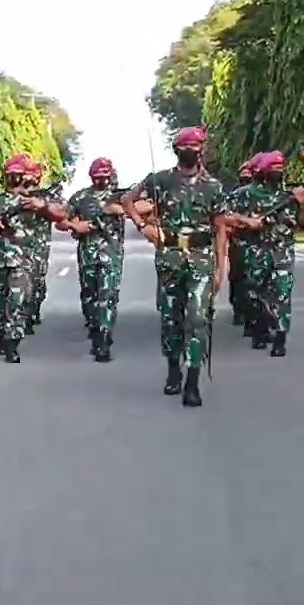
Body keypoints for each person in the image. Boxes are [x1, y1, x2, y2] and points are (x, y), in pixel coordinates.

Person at [121, 127, 227, 406]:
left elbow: (220, 229)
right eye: (186, 146)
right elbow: (127, 200)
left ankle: (192, 381)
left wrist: (221, 269)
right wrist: (143, 226)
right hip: (169, 257)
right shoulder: (160, 181)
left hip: (201, 257)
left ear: (202, 150)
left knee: (198, 318)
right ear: (177, 150)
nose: (192, 150)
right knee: (171, 318)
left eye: (196, 146)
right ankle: (172, 370)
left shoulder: (213, 187)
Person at [0, 154, 68, 362]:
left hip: (24, 261)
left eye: (18, 174)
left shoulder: (37, 199)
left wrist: (41, 207)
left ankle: (12, 342)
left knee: (17, 301)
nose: (14, 179)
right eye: (11, 175)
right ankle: (2, 336)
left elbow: (61, 214)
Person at [225, 151, 302, 355]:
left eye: (281, 169)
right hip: (255, 251)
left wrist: (298, 203)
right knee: (254, 294)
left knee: (282, 294)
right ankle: (259, 329)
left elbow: (294, 222)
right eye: (274, 169)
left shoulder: (288, 196)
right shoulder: (245, 194)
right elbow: (226, 216)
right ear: (263, 171)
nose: (278, 172)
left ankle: (280, 338)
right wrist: (248, 222)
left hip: (281, 252)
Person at [61, 157, 127, 361]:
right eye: (98, 177)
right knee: (90, 295)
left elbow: (146, 207)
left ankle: (103, 340)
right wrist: (75, 226)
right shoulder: (80, 198)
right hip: (88, 253)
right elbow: (61, 221)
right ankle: (95, 328)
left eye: (105, 176)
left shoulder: (120, 197)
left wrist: (119, 209)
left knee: (108, 296)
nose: (102, 180)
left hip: (111, 253)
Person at [21, 160, 55, 334]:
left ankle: (33, 310)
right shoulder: (13, 195)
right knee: (21, 284)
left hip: (39, 246)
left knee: (37, 281)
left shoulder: (45, 196)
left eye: (33, 174)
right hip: (18, 248)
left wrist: (44, 207)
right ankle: (22, 318)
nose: (30, 178)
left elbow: (61, 212)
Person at [225, 159, 256, 332]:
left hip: (258, 243)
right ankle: (239, 310)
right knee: (237, 278)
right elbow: (224, 217)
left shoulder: (262, 194)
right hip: (238, 242)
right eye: (243, 175)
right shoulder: (233, 196)